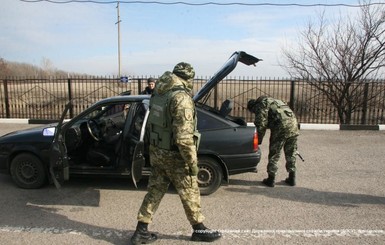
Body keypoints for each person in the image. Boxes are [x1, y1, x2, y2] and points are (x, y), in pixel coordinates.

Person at [131, 62, 221, 244]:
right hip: (175, 155)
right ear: (188, 78)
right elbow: (183, 138)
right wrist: (192, 163)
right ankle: (199, 229)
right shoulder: (181, 98)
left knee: (154, 191)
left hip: (158, 151)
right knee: (190, 190)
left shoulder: (158, 93)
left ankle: (141, 230)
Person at [247, 96, 299, 187]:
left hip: (281, 127)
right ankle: (292, 178)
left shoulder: (261, 104)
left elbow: (261, 124)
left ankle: (271, 179)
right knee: (291, 152)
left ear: (253, 106)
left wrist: (258, 140)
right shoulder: (276, 101)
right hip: (294, 125)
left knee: (275, 153)